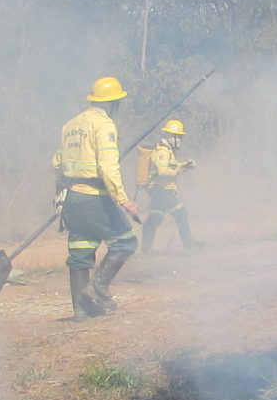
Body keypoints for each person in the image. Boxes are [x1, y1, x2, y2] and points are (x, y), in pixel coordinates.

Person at [52, 76, 140, 319]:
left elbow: (57, 164)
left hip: (72, 198)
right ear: (112, 103)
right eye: (118, 103)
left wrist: (60, 196)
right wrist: (124, 200)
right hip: (95, 198)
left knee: (80, 253)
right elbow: (108, 168)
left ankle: (81, 311)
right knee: (125, 242)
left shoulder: (70, 126)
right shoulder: (104, 125)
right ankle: (98, 288)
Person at [140, 118, 197, 252]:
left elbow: (171, 167)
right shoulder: (163, 151)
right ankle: (189, 246)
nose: (181, 140)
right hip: (162, 191)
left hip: (159, 191)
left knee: (155, 218)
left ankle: (146, 250)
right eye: (180, 137)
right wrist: (178, 170)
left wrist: (185, 165)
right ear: (173, 136)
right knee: (182, 213)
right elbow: (163, 171)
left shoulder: (168, 151)